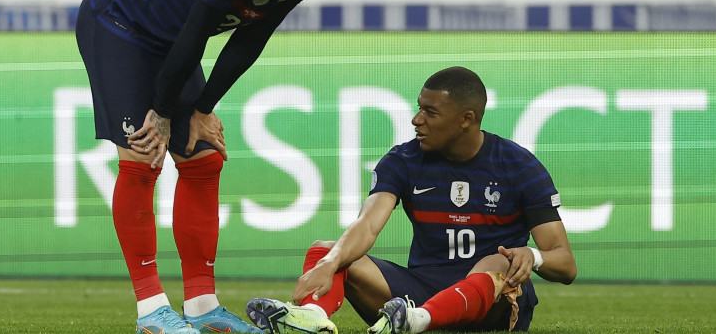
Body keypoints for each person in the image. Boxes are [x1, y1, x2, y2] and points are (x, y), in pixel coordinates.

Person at [74, 0, 341, 333]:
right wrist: (163, 114)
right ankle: (151, 313)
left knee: (204, 160)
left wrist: (202, 109)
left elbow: (252, 37)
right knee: (144, 156)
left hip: (169, 39)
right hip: (119, 22)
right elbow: (195, 35)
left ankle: (202, 306)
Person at [244, 66, 577, 333]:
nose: (417, 119)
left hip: (491, 305)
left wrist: (532, 256)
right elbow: (367, 225)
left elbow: (565, 264)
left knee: (498, 262)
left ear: (466, 119)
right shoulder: (403, 160)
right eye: (419, 108)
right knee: (327, 250)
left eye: (430, 112)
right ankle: (313, 318)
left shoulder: (519, 166)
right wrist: (329, 263)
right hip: (417, 294)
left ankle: (418, 320)